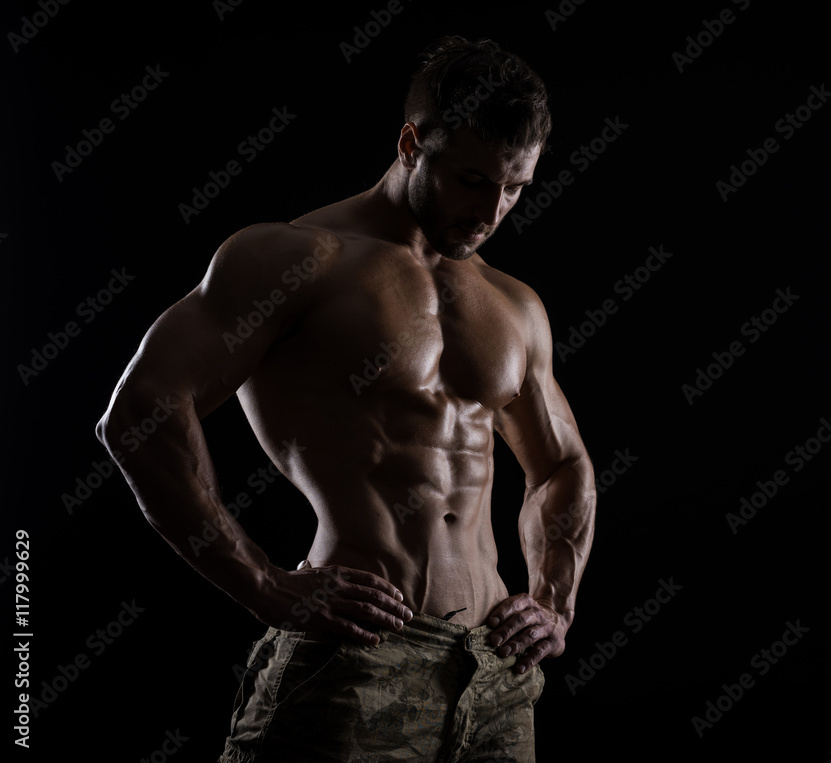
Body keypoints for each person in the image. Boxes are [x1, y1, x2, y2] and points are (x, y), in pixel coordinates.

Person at [97, 36, 596, 761]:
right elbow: (140, 413)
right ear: (410, 143)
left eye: (515, 187)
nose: (491, 210)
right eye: (470, 179)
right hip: (357, 660)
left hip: (496, 678)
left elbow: (563, 466)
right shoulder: (294, 258)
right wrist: (265, 583)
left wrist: (554, 602)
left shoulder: (514, 305)